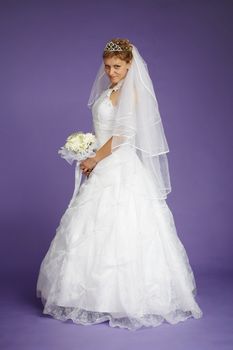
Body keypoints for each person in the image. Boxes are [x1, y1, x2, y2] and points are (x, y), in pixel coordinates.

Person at [36, 38, 203, 331]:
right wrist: (87, 148)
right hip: (104, 161)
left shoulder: (132, 93)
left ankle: (124, 299)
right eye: (108, 67)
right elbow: (106, 129)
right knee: (91, 228)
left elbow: (124, 134)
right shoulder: (110, 91)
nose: (112, 72)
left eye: (118, 67)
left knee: (124, 226)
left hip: (119, 165)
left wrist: (94, 159)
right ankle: (90, 296)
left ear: (129, 66)